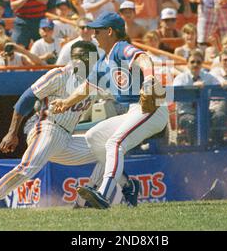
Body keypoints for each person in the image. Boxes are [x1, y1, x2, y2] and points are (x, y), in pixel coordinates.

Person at [0, 41, 140, 213]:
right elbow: (27, 99)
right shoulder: (59, 74)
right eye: (76, 56)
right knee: (27, 169)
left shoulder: (95, 82)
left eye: (85, 57)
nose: (79, 60)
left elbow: (121, 94)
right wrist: (12, 133)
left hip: (66, 138)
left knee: (108, 148)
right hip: (48, 127)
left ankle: (88, 201)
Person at [50, 12, 169, 209]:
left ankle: (104, 194)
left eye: (97, 30)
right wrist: (66, 102)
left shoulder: (120, 48)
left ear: (110, 31)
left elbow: (143, 58)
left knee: (114, 142)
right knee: (94, 136)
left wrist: (148, 79)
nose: (93, 34)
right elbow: (86, 88)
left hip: (152, 109)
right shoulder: (104, 60)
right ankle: (128, 185)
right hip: (135, 110)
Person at [173, 50, 219, 145]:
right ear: (187, 63)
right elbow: (176, 94)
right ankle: (196, 147)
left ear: (202, 63)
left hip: (205, 111)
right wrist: (192, 88)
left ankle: (216, 145)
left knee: (219, 117)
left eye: (198, 62)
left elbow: (218, 87)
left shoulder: (208, 77)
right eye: (192, 62)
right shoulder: (180, 78)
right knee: (192, 121)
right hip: (186, 112)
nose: (195, 64)